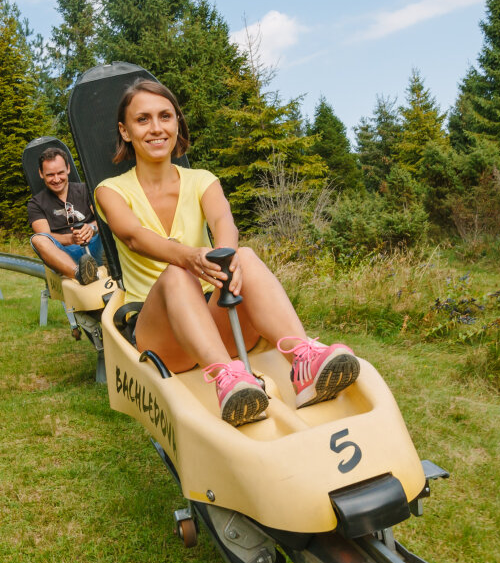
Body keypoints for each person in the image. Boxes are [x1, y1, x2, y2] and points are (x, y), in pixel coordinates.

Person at [93, 79, 358, 426]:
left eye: (165, 117)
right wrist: (189, 257)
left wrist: (226, 255)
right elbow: (133, 236)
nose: (156, 128)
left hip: (217, 318)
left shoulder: (202, 179)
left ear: (177, 124)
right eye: (143, 120)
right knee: (176, 274)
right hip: (162, 334)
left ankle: (303, 360)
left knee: (243, 254)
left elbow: (223, 221)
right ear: (125, 131)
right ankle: (227, 380)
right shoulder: (110, 190)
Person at [28, 146, 103, 284]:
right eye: (50, 175)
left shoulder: (86, 190)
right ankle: (80, 274)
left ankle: (111, 263)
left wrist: (91, 229)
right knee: (37, 239)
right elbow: (45, 236)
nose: (56, 179)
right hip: (64, 253)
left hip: (95, 245)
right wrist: (71, 239)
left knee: (110, 220)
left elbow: (103, 218)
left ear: (68, 169)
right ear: (41, 173)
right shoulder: (36, 203)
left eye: (60, 173)